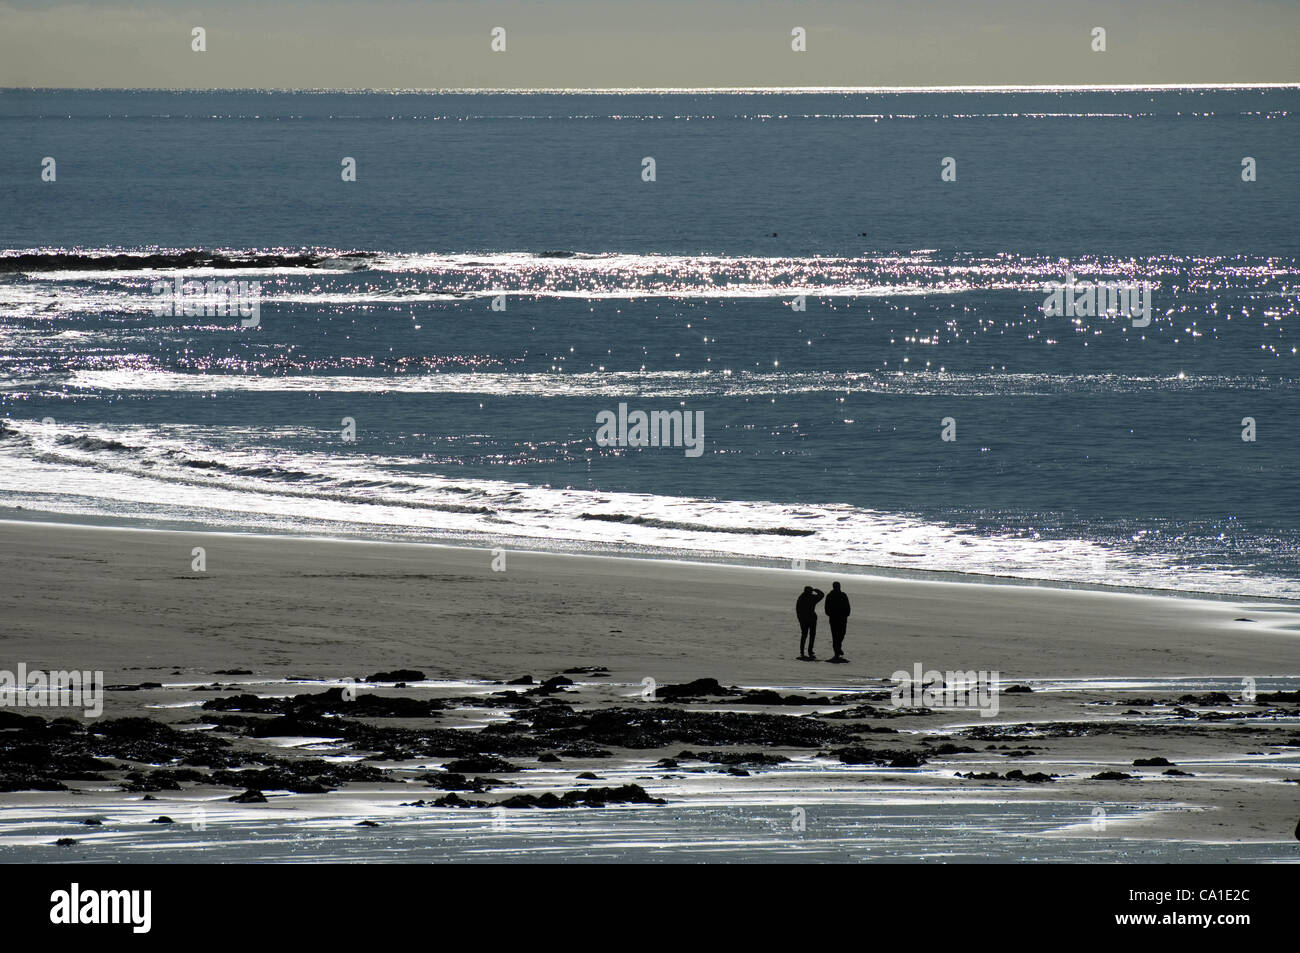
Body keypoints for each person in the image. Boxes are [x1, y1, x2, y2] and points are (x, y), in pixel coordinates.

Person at [824, 581, 851, 662]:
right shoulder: (830, 595)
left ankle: (838, 649)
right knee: (836, 636)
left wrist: (847, 614)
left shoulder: (843, 595)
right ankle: (836, 653)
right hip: (835, 618)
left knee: (841, 634)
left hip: (841, 618)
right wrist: (830, 614)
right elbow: (827, 607)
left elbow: (847, 606)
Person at [795, 585, 824, 660]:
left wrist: (800, 619)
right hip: (811, 619)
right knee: (811, 635)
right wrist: (816, 589)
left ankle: (802, 652)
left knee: (804, 635)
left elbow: (798, 610)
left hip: (804, 620)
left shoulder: (801, 598)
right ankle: (810, 652)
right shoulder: (812, 598)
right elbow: (822, 594)